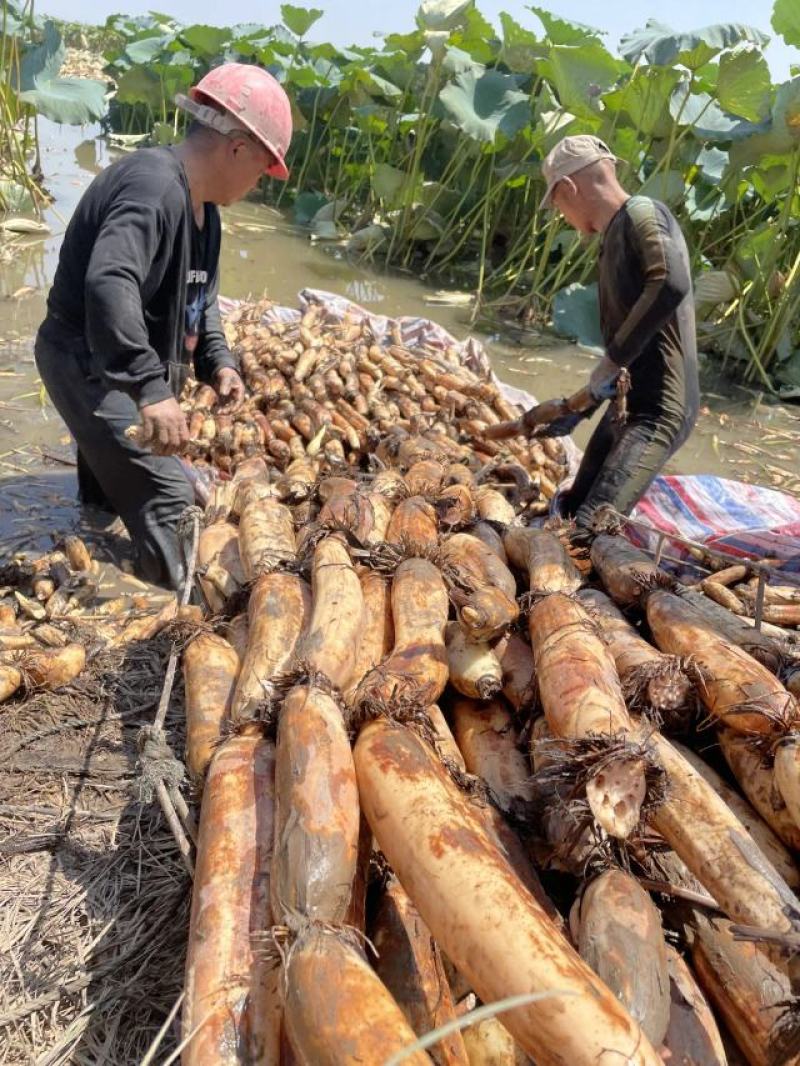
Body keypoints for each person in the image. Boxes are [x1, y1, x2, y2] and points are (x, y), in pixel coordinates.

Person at [34, 63, 292, 588]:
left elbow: (203, 300)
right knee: (176, 506)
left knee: (108, 497)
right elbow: (110, 282)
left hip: (117, 372)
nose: (259, 183)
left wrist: (218, 361)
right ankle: (162, 607)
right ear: (238, 147)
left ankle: (96, 545)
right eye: (262, 167)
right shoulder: (153, 185)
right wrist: (151, 389)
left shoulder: (206, 215)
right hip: (88, 362)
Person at [534, 134, 699, 528]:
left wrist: (611, 359)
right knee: (572, 507)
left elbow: (670, 283)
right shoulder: (613, 237)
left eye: (557, 204)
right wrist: (584, 405)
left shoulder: (642, 214)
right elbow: (631, 342)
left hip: (658, 410)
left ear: (568, 188)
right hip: (628, 401)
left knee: (592, 526)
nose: (561, 215)